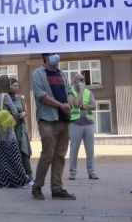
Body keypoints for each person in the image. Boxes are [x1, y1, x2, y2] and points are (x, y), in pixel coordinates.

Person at [30, 53, 75, 201]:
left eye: (57, 53)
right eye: (53, 53)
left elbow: (69, 91)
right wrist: (61, 105)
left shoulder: (61, 73)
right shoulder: (38, 73)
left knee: (60, 156)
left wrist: (69, 103)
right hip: (48, 119)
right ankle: (37, 186)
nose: (57, 56)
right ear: (46, 57)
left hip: (64, 119)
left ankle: (56, 188)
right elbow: (41, 95)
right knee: (48, 154)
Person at [0, 75, 30, 188]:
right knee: (14, 156)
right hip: (8, 131)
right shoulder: (6, 96)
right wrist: (18, 114)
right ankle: (22, 181)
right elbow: (14, 112)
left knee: (2, 158)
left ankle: (4, 182)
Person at [67, 72, 98, 180]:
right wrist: (80, 91)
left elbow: (94, 106)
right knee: (74, 149)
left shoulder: (89, 92)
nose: (82, 82)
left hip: (89, 123)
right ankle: (72, 172)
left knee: (90, 150)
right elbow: (75, 103)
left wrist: (84, 106)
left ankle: (91, 172)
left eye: (83, 80)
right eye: (79, 80)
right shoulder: (71, 91)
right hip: (75, 124)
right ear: (74, 81)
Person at [9, 78, 33, 182]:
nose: (17, 88)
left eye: (18, 86)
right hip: (10, 130)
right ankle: (17, 177)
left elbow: (25, 111)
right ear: (9, 86)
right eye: (14, 86)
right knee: (13, 154)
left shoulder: (21, 99)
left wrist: (24, 113)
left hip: (21, 130)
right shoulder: (5, 99)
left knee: (24, 152)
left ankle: (30, 176)